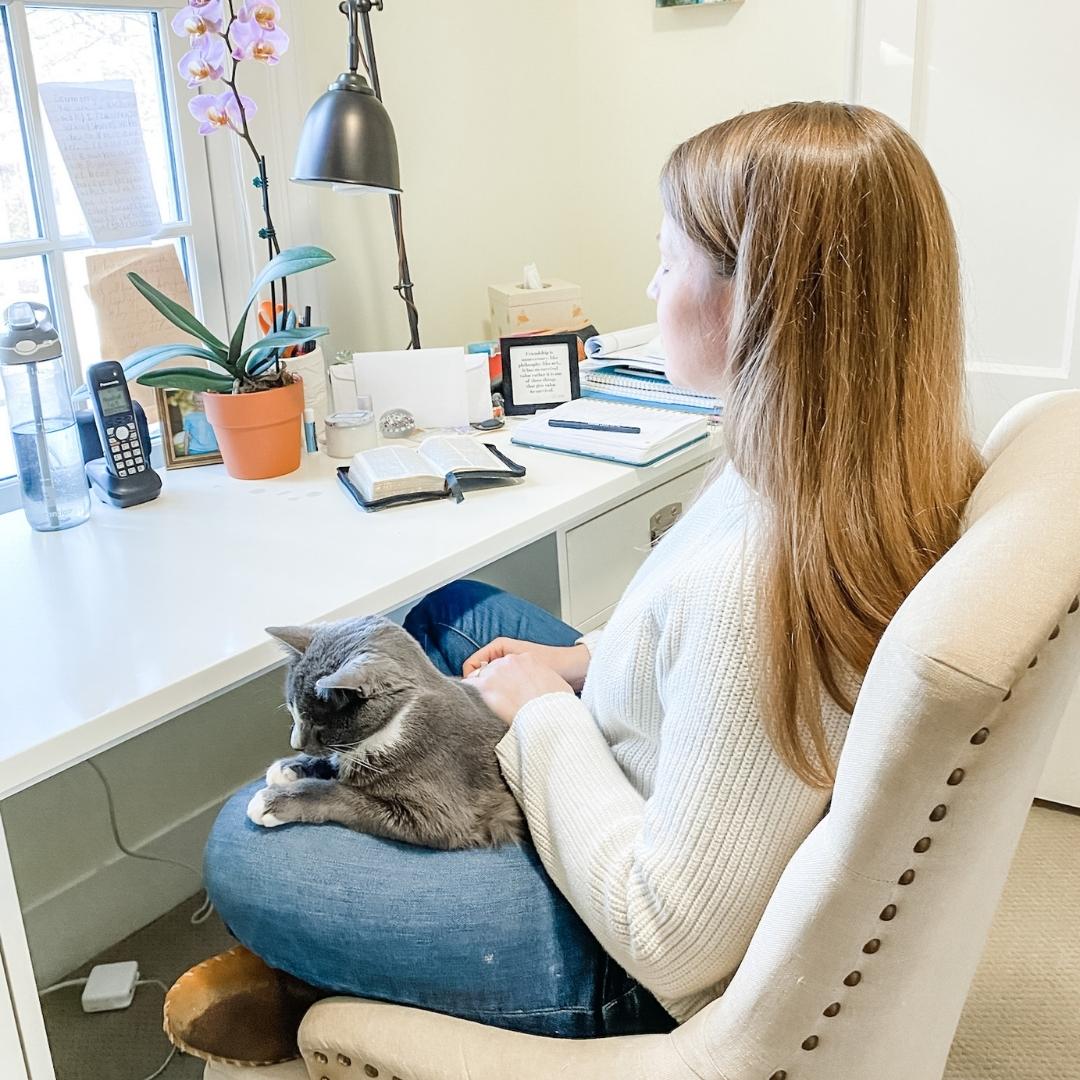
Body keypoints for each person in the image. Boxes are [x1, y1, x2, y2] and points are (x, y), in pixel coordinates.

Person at [200, 101, 984, 1044]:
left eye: (666, 260)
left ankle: (336, 971)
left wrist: (541, 714)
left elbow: (672, 935)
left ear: (755, 297)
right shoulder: (840, 459)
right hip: (641, 750)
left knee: (245, 847)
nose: (649, 287)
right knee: (446, 613)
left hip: (618, 949)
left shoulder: (753, 589)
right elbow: (684, 642)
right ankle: (391, 884)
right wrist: (577, 664)